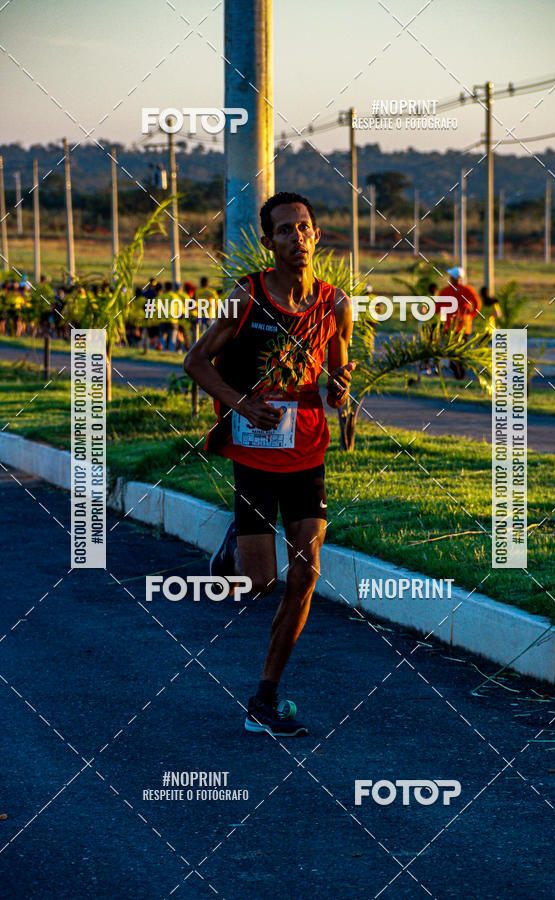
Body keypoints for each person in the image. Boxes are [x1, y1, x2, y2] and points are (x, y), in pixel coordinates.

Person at [184, 191, 354, 738]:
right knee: (261, 582)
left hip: (306, 451)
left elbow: (337, 378)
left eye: (304, 228)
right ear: (269, 242)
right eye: (285, 230)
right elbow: (196, 361)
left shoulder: (335, 303)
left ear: (316, 236)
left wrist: (340, 391)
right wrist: (240, 403)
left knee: (306, 573)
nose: (297, 238)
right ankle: (234, 544)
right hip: (256, 450)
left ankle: (265, 697)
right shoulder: (248, 296)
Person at [436, 266, 482, 380]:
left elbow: (436, 308)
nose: (450, 278)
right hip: (463, 327)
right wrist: (471, 315)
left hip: (451, 327)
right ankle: (460, 376)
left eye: (451, 277)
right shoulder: (468, 290)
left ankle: (458, 375)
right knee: (461, 352)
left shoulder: (446, 291)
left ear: (457, 278)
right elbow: (477, 304)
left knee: (452, 352)